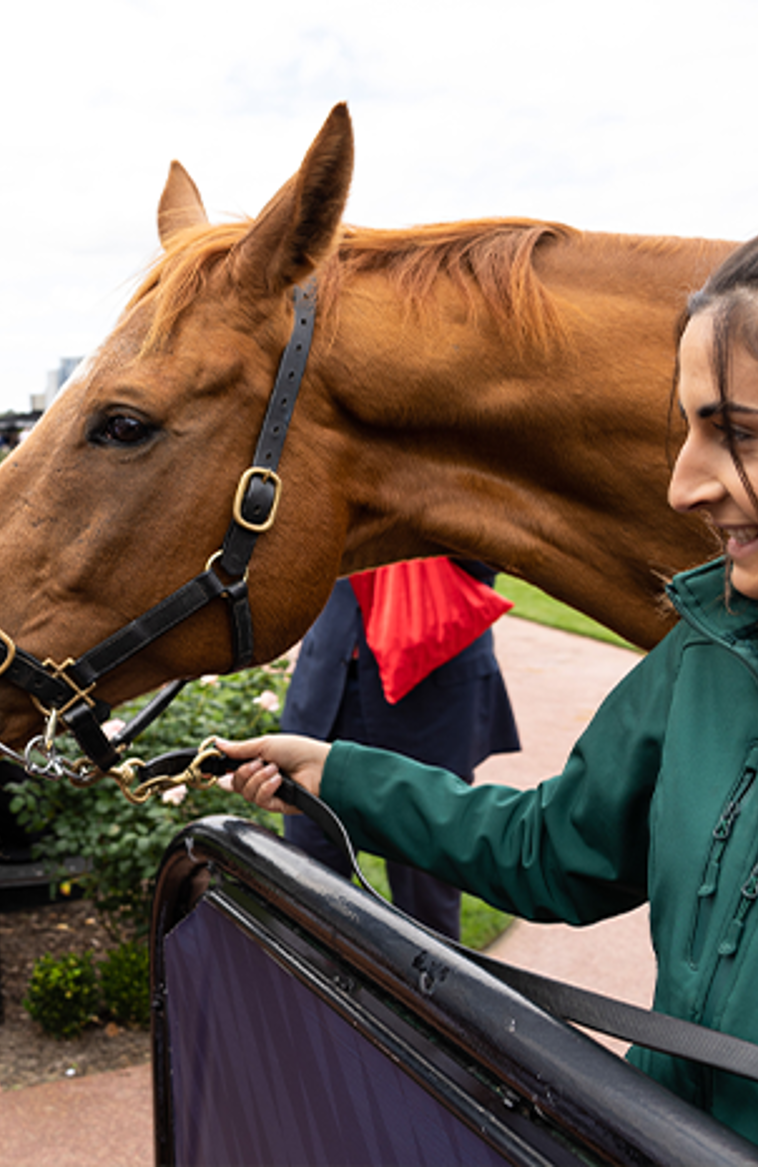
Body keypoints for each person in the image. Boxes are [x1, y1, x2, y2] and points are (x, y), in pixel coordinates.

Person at [218, 232, 758, 1146]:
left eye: (736, 431)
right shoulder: (702, 651)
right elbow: (554, 848)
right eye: (688, 429)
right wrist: (337, 773)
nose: (680, 488)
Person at [280, 566, 519, 938]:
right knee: (309, 890)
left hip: (430, 697)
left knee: (425, 903)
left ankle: (425, 980)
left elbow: (491, 557)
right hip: (328, 685)